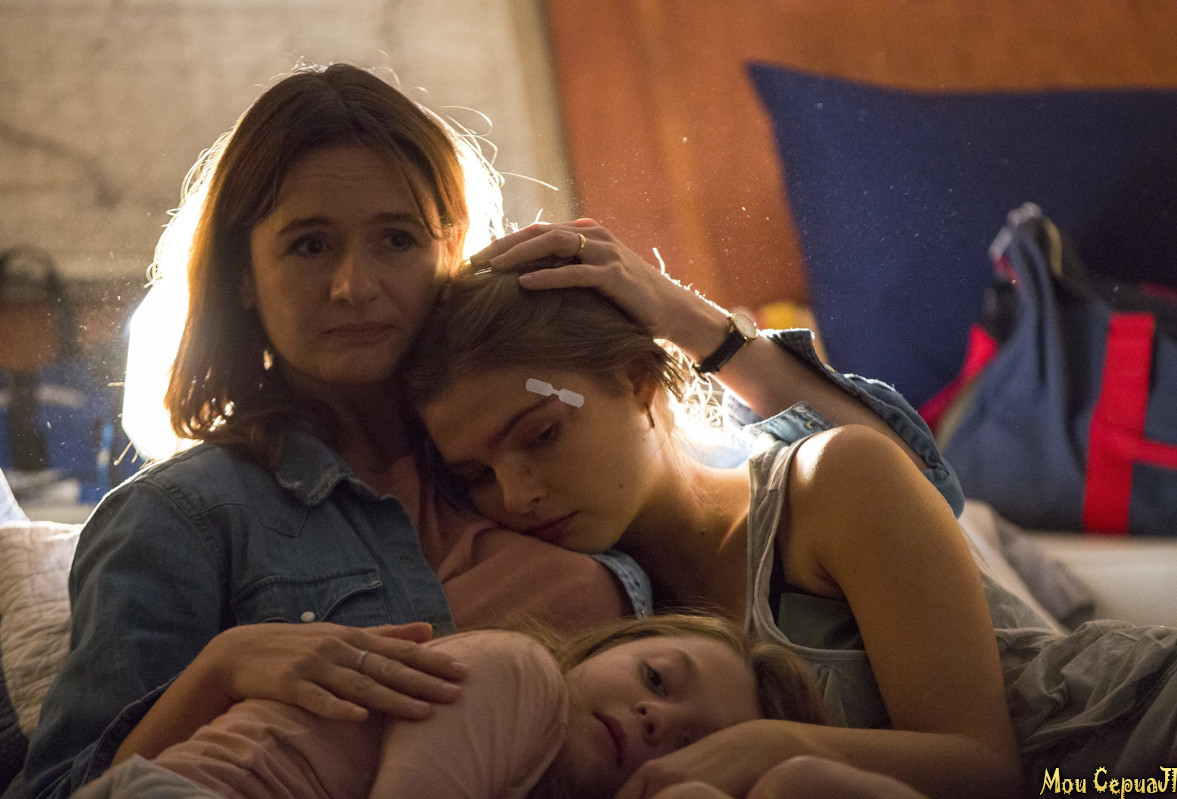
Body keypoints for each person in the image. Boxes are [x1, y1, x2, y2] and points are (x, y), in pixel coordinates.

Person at [21, 62, 960, 799]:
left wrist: (686, 320)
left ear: (449, 246)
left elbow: (908, 495)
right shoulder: (182, 518)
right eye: (309, 245)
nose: (355, 285)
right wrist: (224, 670)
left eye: (396, 238)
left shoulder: (532, 448)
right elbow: (62, 788)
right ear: (240, 275)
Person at [403, 261, 1177, 799]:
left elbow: (988, 767)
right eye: (477, 476)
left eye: (542, 434)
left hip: (1147, 733)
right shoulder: (605, 627)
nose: (517, 493)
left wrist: (774, 747)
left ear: (640, 381)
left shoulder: (830, 482)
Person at [72, 613, 832, 799]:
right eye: (657, 679)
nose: (655, 718)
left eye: (692, 744)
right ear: (600, 645)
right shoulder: (519, 673)